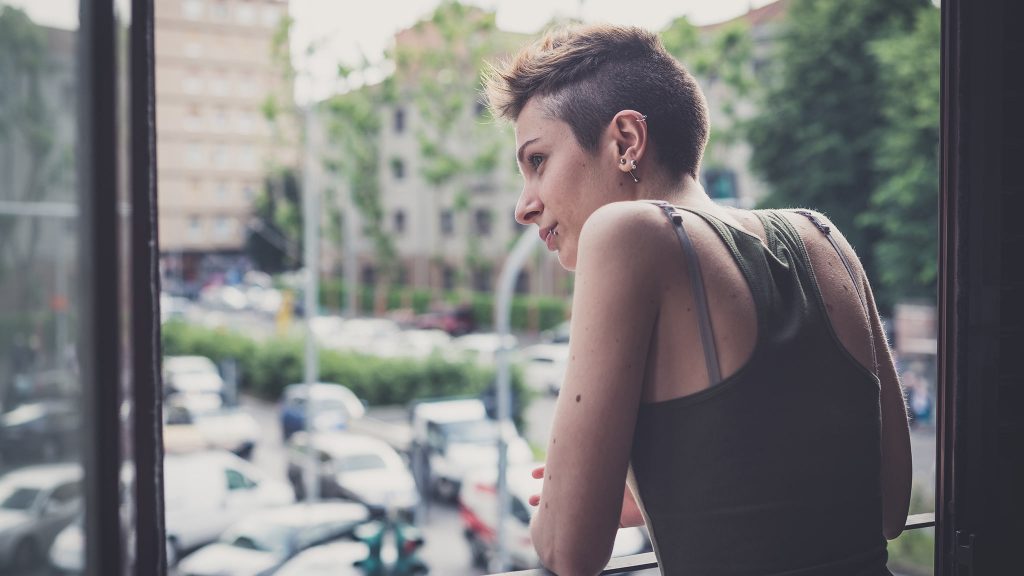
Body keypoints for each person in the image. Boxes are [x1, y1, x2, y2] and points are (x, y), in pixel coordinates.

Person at [483, 24, 912, 576]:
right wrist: (663, 482)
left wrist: (566, 501)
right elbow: (890, 506)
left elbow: (569, 550)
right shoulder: (821, 235)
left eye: (537, 160)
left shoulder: (625, 233)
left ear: (626, 142)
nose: (524, 205)